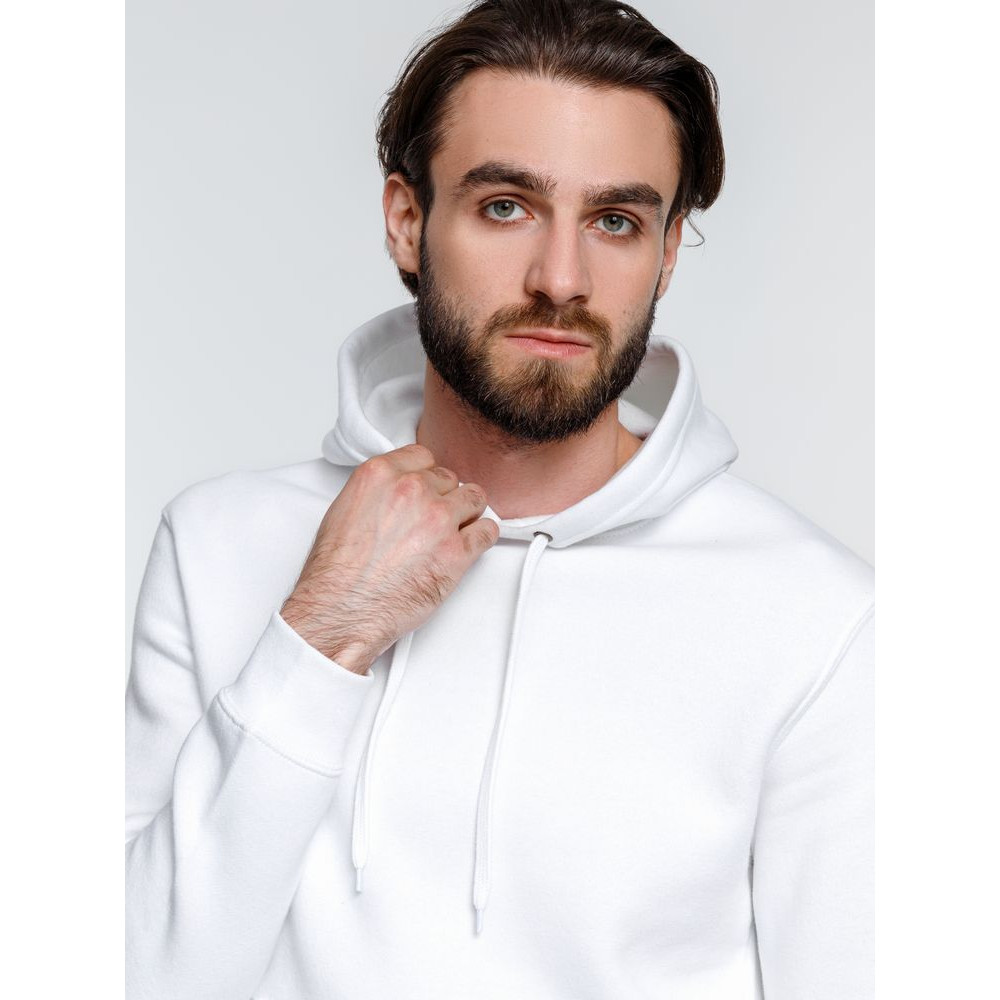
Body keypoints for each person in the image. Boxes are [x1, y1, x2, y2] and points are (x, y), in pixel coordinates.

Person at [125, 1, 874, 997]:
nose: (560, 279)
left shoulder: (819, 616)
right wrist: (321, 634)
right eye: (506, 206)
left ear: (665, 253)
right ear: (407, 221)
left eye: (615, 221)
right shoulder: (218, 544)